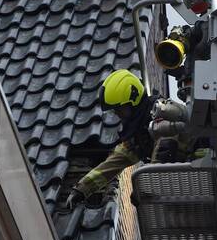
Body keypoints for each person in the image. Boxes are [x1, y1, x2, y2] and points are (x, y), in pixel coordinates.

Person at [64, 69, 191, 209]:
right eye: (115, 111)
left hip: (197, 166)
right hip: (183, 185)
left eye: (121, 109)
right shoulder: (137, 134)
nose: (119, 115)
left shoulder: (163, 113)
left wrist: (146, 185)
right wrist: (81, 189)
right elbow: (113, 163)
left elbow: (165, 150)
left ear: (133, 100)